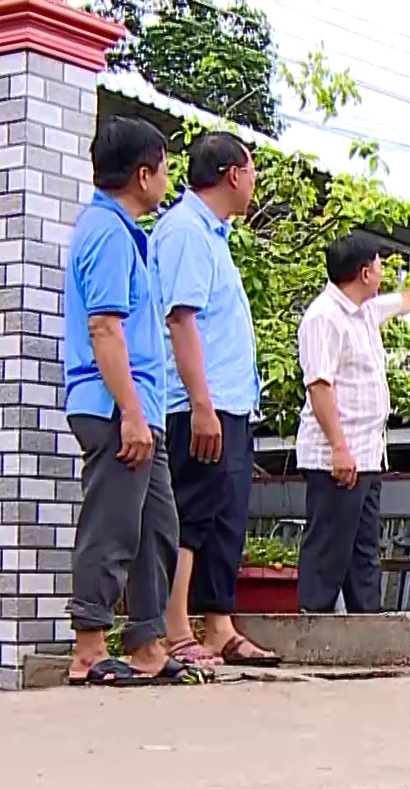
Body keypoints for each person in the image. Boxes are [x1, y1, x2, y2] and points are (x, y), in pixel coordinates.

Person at [63, 116, 185, 687]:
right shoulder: (109, 234)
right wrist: (131, 413)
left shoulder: (122, 232)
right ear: (143, 174)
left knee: (156, 525)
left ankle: (147, 643)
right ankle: (89, 647)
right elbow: (105, 329)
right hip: (119, 407)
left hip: (141, 408)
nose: (167, 177)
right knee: (112, 525)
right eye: (163, 167)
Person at [150, 131, 277, 668]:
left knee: (226, 516)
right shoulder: (184, 231)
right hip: (197, 402)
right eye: (251, 172)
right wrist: (200, 403)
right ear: (231, 173)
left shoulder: (215, 235)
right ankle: (176, 627)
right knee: (193, 514)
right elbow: (181, 318)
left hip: (230, 400)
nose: (254, 183)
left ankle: (218, 624)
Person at [295, 234, 410, 613]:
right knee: (329, 547)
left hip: (368, 454)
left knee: (363, 550)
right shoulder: (324, 316)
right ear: (363, 272)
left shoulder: (365, 310)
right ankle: (312, 629)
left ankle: (366, 627)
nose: (383, 270)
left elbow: (406, 299)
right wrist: (339, 447)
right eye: (379, 264)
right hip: (335, 456)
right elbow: (319, 386)